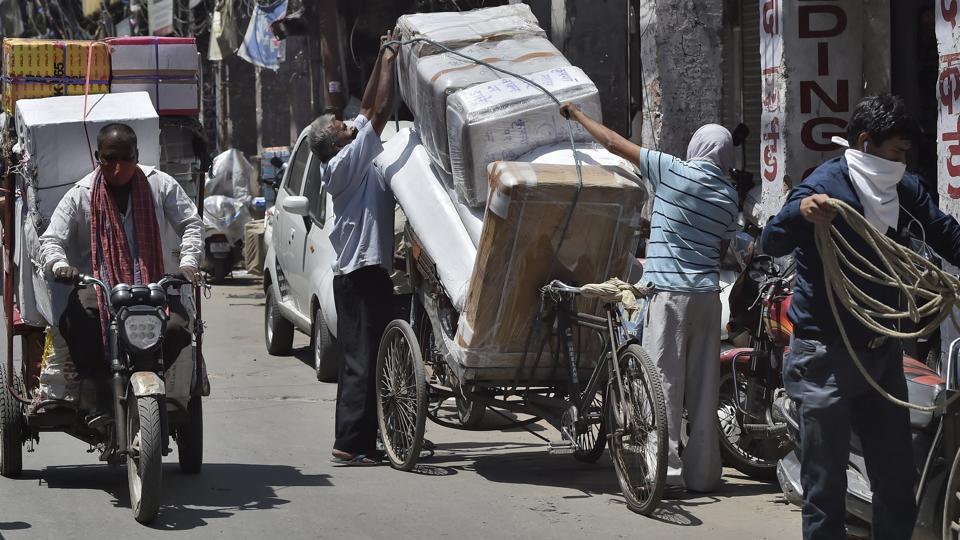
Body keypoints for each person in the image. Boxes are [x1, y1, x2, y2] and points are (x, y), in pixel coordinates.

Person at [761, 94, 960, 539]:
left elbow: (946, 234)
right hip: (823, 355)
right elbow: (771, 239)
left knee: (896, 478)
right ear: (867, 143)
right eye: (897, 151)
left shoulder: (901, 189)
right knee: (825, 485)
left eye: (906, 153)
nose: (902, 161)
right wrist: (801, 213)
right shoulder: (825, 185)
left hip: (881, 352)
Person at [562, 104, 739, 492]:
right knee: (704, 388)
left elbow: (612, 143)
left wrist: (576, 113)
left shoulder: (672, 169)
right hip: (709, 298)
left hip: (669, 296)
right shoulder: (728, 194)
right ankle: (705, 474)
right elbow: (722, 251)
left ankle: (662, 471)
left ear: (696, 148)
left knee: (663, 384)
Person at [38, 123, 203, 423]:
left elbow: (191, 223)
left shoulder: (160, 185)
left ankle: (151, 375)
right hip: (99, 286)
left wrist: (188, 263)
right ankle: (98, 390)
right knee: (79, 319)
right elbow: (51, 240)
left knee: (179, 326)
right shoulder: (81, 194)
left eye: (124, 159)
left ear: (137, 156)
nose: (116, 168)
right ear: (98, 157)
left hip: (153, 284)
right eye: (108, 160)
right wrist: (60, 265)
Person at [309, 34, 397, 466]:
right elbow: (379, 112)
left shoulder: (346, 152)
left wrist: (382, 52)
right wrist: (394, 58)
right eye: (341, 127)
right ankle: (350, 444)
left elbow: (364, 110)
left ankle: (364, 439)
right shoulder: (342, 165)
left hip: (364, 271)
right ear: (335, 143)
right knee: (361, 361)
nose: (348, 124)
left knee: (367, 356)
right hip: (359, 273)